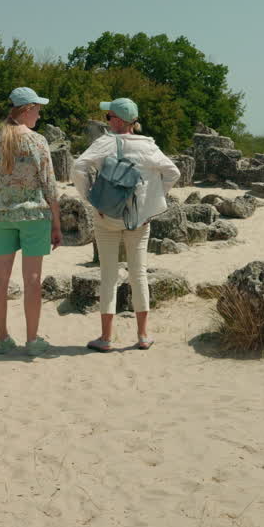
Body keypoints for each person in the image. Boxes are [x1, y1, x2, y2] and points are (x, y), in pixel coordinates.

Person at [72, 98, 180, 352]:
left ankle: (106, 338)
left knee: (108, 276)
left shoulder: (104, 142)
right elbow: (172, 172)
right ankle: (143, 336)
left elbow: (79, 167)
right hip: (138, 220)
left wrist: (90, 197)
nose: (106, 121)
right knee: (138, 274)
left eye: (108, 117)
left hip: (106, 217)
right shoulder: (148, 146)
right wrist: (152, 201)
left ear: (118, 121)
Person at [0, 87, 62, 356]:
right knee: (33, 280)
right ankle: (32, 340)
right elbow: (50, 186)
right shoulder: (38, 142)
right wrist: (57, 224)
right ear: (27, 110)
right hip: (34, 216)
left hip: (2, 216)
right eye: (38, 109)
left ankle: (3, 339)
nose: (39, 115)